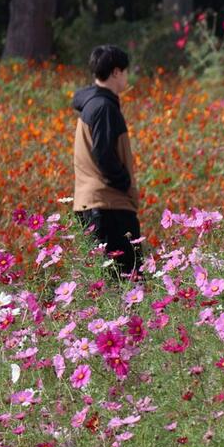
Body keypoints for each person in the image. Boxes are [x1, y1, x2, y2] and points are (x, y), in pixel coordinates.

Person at [71, 45, 143, 280]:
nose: (127, 77)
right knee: (128, 280)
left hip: (94, 203)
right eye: (125, 71)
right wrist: (125, 185)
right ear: (115, 73)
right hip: (108, 204)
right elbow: (104, 155)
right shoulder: (104, 108)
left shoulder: (93, 104)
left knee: (106, 281)